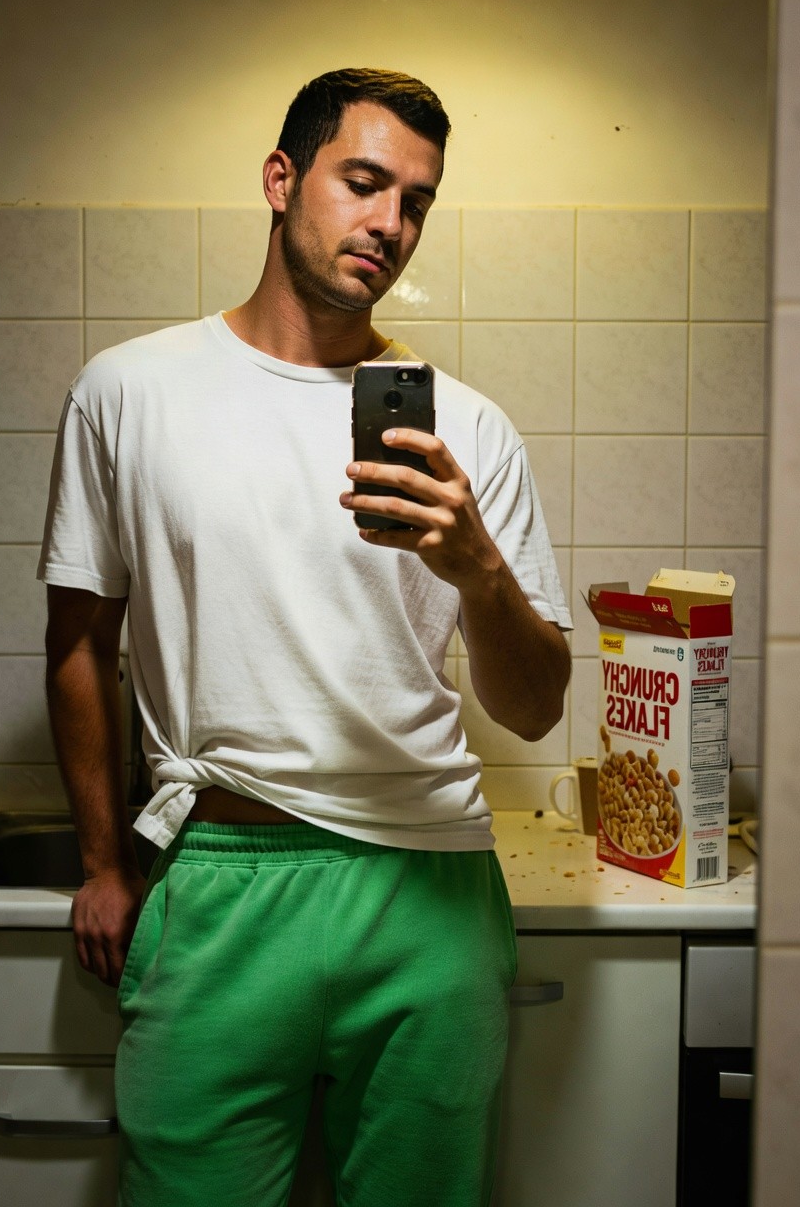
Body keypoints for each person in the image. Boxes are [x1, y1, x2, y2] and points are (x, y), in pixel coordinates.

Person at [38, 67, 572, 1207]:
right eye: (364, 182)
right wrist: (99, 861)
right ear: (283, 180)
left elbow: (533, 704)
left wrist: (479, 572)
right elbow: (78, 639)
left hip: (428, 894)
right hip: (220, 888)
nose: (391, 223)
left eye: (417, 201)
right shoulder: (129, 391)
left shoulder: (467, 427)